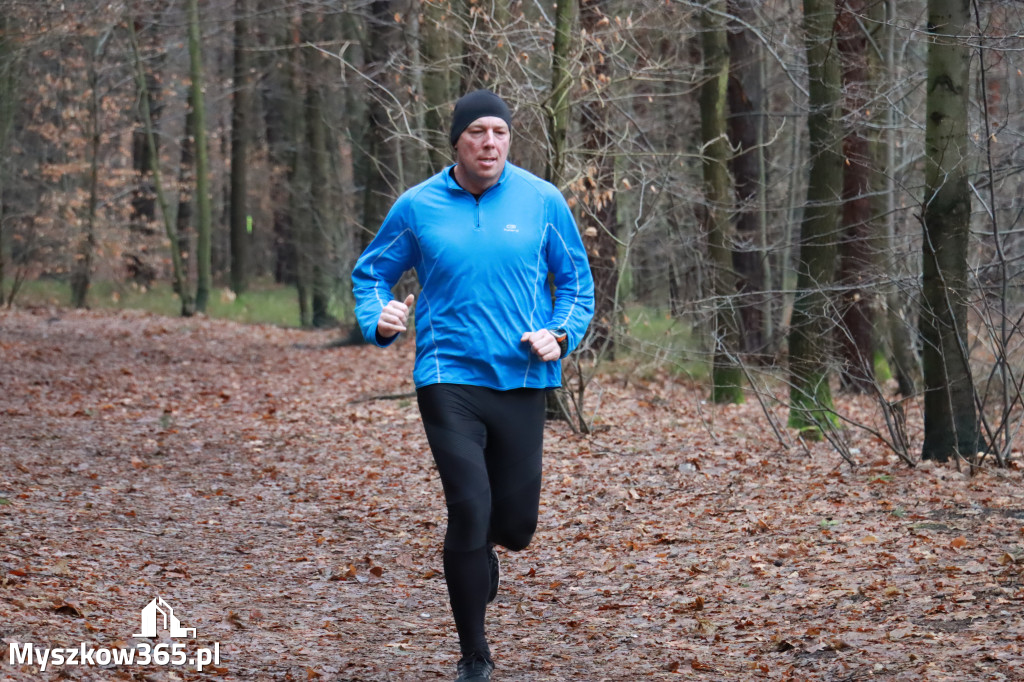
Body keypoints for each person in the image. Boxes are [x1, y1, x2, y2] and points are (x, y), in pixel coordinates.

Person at [351, 90, 594, 681]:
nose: (490, 143)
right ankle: (474, 656)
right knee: (467, 507)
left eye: (500, 133)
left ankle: (486, 547)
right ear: (456, 141)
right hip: (447, 376)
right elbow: (371, 274)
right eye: (478, 132)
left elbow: (578, 286)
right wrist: (378, 315)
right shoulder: (418, 206)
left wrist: (559, 335)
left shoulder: (542, 200)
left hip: (521, 378)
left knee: (514, 526)